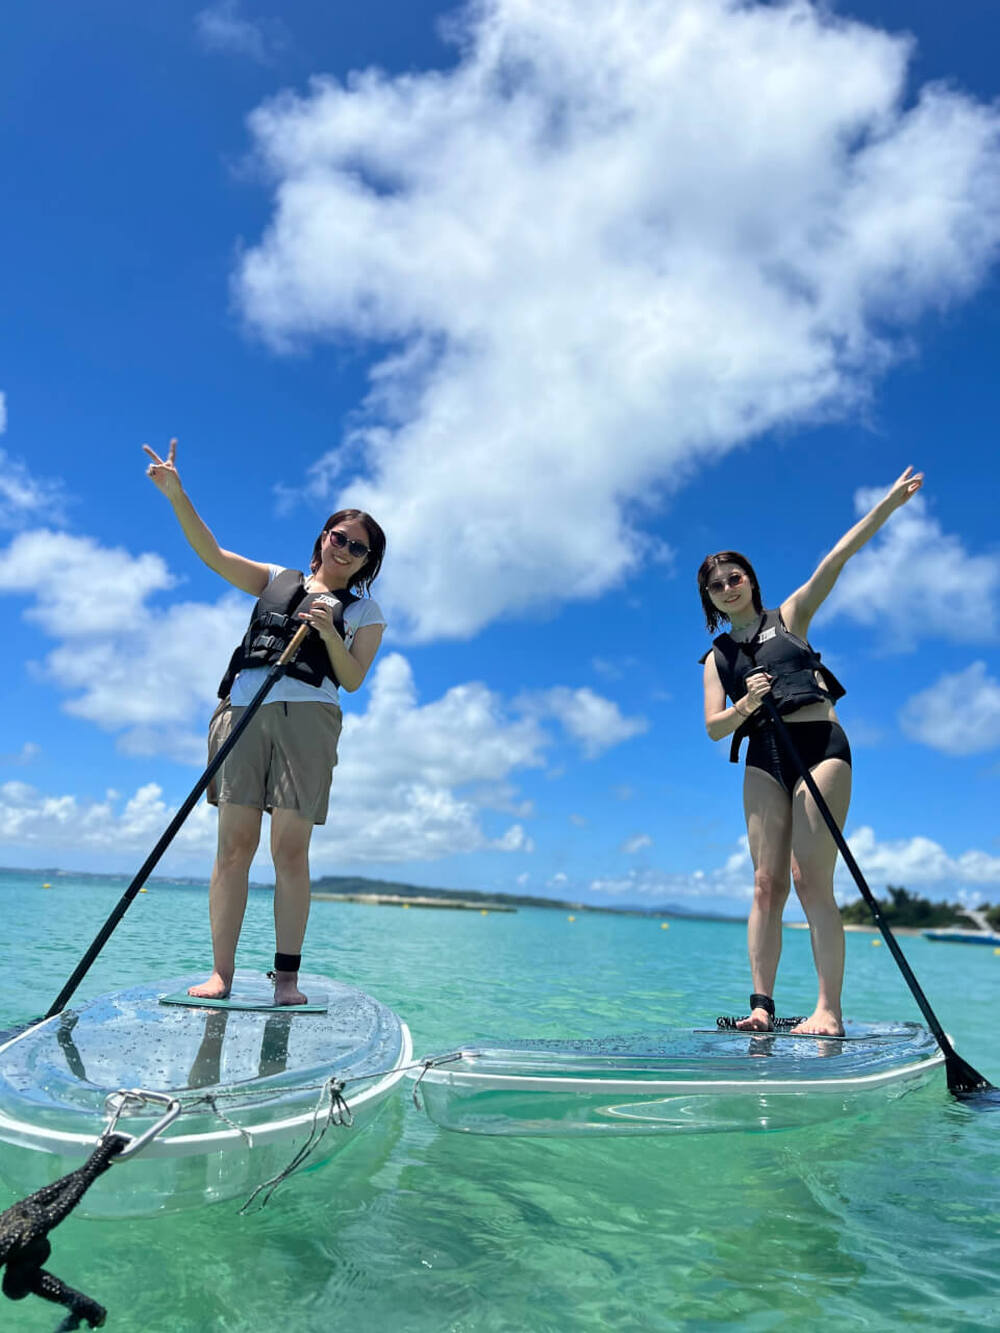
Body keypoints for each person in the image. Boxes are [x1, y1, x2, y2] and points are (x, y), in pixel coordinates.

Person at [144, 438, 386, 1005]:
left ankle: (288, 979)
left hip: (309, 721)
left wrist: (327, 631)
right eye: (340, 537)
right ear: (323, 537)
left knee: (290, 851)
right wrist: (178, 496)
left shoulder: (365, 612)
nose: (346, 550)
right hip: (243, 714)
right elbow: (212, 554)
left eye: (359, 548)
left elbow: (352, 678)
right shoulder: (276, 578)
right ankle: (221, 975)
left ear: (367, 563)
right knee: (234, 848)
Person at [698, 467, 923, 1035]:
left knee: (808, 878)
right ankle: (760, 1008)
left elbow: (836, 560)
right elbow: (714, 728)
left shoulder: (790, 616)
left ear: (751, 581)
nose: (728, 586)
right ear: (710, 599)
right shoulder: (718, 659)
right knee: (765, 884)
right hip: (765, 757)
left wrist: (887, 506)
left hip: (819, 746)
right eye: (717, 585)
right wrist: (747, 704)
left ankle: (828, 1011)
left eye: (735, 576)